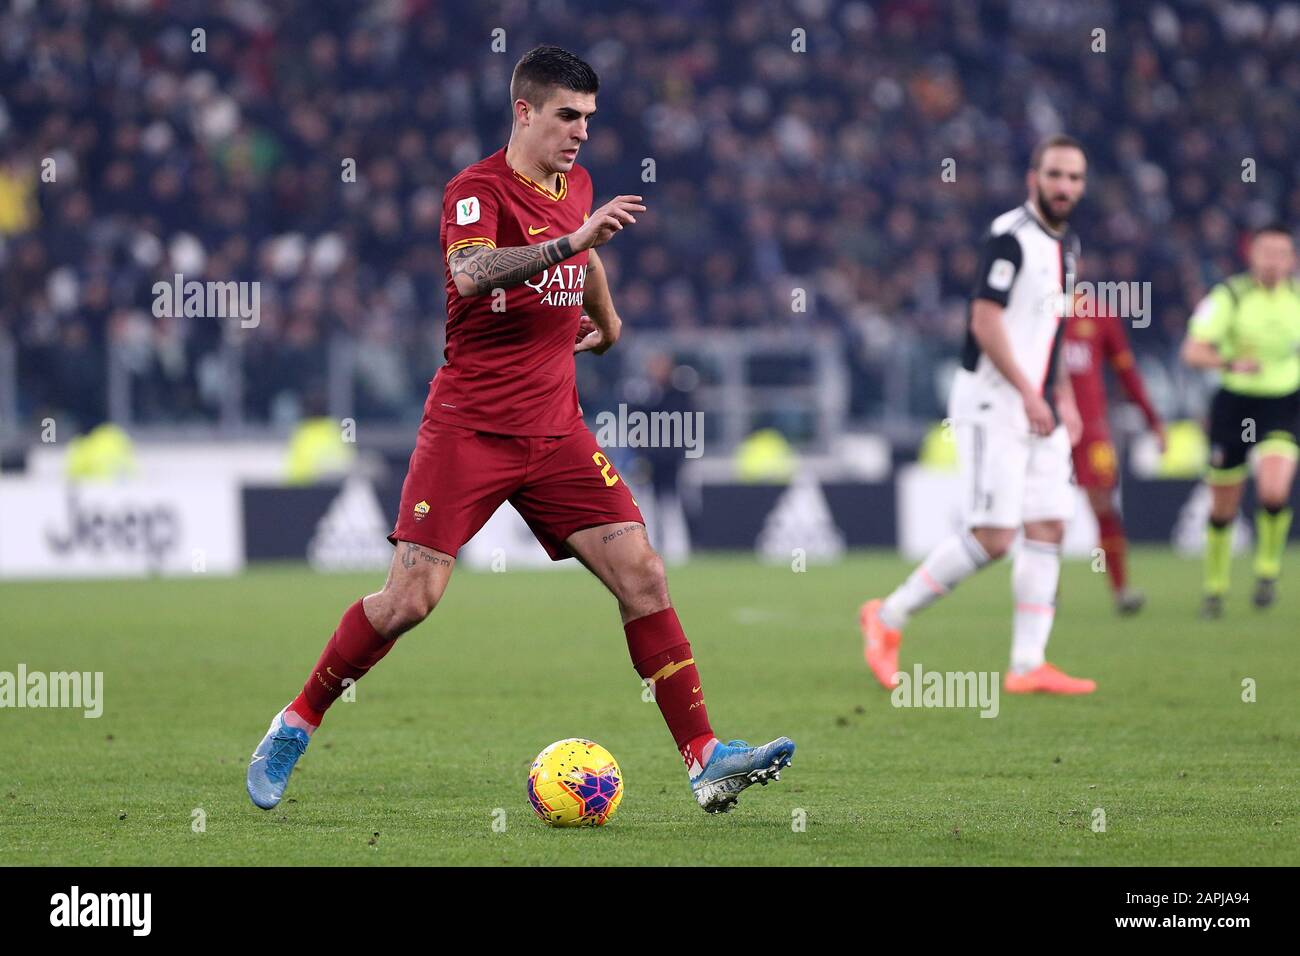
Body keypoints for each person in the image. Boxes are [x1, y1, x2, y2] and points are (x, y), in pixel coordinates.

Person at [247, 46, 794, 815]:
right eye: (568, 116)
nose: (580, 133)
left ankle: (706, 760)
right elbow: (471, 273)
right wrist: (572, 243)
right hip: (469, 429)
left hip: (556, 432)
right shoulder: (475, 191)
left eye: (590, 120)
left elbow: (590, 257)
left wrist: (607, 322)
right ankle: (296, 721)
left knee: (644, 575)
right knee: (409, 601)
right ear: (525, 111)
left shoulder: (579, 187)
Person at [860, 134, 1096, 695]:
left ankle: (1027, 664)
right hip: (995, 399)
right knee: (994, 536)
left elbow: (1051, 329)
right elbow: (984, 322)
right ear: (1032, 178)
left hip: (1037, 400)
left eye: (1074, 178)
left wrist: (1059, 391)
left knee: (1049, 523)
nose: (1064, 187)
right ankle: (886, 617)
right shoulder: (1008, 238)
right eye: (1055, 175)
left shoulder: (1068, 246)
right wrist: (1030, 391)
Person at [1181, 223, 1300, 617]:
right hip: (1235, 404)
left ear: (1292, 260)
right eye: (1265, 252)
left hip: (1283, 402)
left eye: (1281, 254)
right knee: (1223, 508)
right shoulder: (1229, 295)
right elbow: (1192, 351)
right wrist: (1230, 362)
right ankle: (1215, 588)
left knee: (1273, 491)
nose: (1273, 262)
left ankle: (1267, 570)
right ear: (1252, 255)